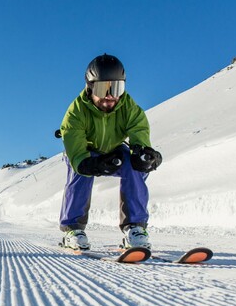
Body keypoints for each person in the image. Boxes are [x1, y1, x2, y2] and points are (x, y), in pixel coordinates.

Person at [58, 54, 162, 250]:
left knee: (135, 166)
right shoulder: (76, 112)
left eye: (116, 89)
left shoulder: (128, 106)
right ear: (90, 88)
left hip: (114, 151)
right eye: (102, 89)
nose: (110, 96)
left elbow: (139, 129)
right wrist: (89, 163)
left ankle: (135, 228)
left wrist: (143, 152)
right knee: (80, 172)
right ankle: (73, 229)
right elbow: (75, 147)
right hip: (86, 153)